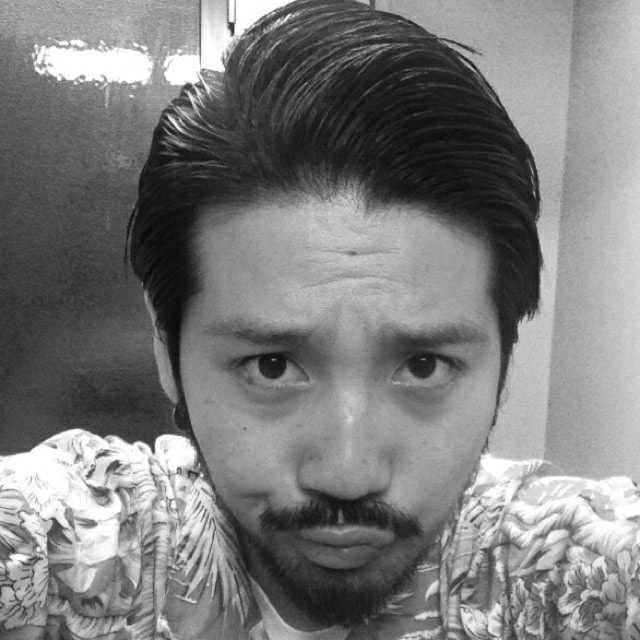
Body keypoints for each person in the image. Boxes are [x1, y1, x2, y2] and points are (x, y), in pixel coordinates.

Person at [1, 1, 638, 638]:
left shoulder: (559, 567)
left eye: (423, 366)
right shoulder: (72, 553)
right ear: (168, 352)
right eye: (272, 366)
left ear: (504, 360)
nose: (348, 474)